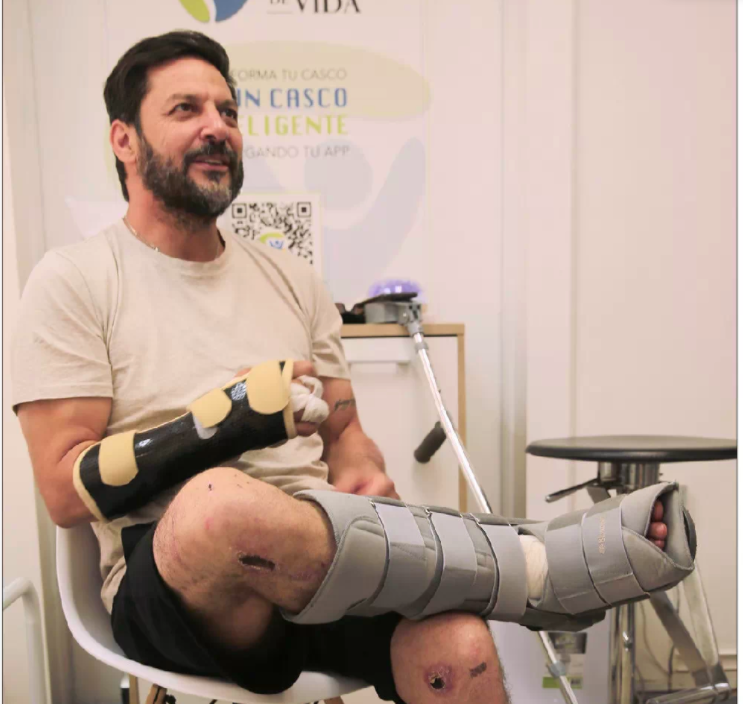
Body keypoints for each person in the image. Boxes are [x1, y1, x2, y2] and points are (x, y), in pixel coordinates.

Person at [12, 31, 688, 704]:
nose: (217, 127)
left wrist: (361, 469)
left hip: (327, 572)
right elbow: (63, 492)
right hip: (176, 580)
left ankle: (510, 571)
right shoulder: (75, 280)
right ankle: (528, 570)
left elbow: (344, 436)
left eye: (228, 112)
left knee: (458, 650)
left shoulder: (293, 279)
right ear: (124, 140)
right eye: (186, 109)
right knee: (216, 505)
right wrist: (227, 424)